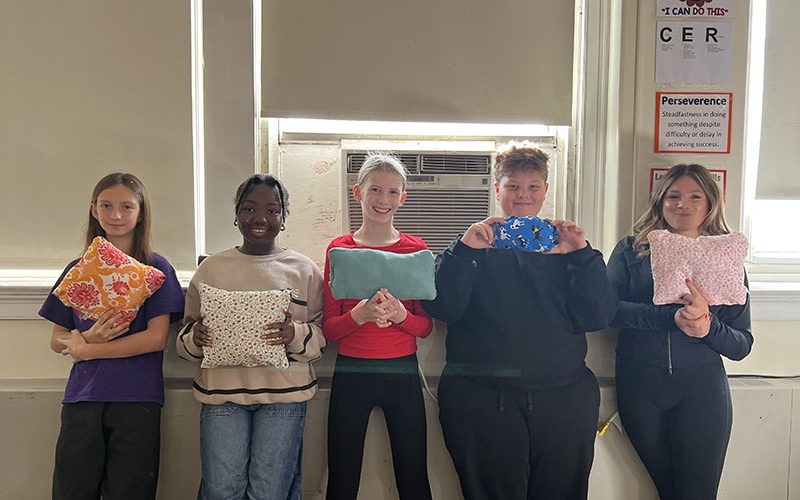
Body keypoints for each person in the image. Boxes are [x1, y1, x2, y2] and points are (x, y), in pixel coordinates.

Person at [423, 142, 616, 500]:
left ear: (545, 190)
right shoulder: (470, 249)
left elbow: (599, 316)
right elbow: (443, 308)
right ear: (497, 189)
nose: (522, 195)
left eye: (532, 187)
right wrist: (465, 250)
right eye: (512, 186)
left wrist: (582, 256)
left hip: (564, 401)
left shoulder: (571, 251)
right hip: (481, 403)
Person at [608, 163, 753, 500]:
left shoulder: (727, 257)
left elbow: (742, 344)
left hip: (701, 392)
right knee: (667, 491)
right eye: (673, 196)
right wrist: (669, 318)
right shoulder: (631, 250)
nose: (682, 204)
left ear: (710, 203)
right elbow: (606, 311)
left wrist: (707, 327)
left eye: (694, 196)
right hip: (641, 389)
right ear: (660, 201)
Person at [176, 173, 325, 500]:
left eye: (272, 210)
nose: (260, 218)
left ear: (284, 217)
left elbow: (320, 336)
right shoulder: (211, 269)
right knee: (221, 490)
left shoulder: (304, 270)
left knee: (270, 492)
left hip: (285, 397)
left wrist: (293, 334)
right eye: (249, 209)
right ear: (236, 214)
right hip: (222, 395)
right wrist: (195, 339)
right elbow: (184, 337)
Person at [39, 172, 185, 500]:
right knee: (72, 490)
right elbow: (57, 338)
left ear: (141, 212)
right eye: (106, 205)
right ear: (94, 210)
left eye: (126, 207)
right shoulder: (78, 269)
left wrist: (88, 349)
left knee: (131, 490)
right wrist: (87, 338)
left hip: (137, 399)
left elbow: (156, 339)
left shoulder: (157, 269)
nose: (115, 215)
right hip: (83, 399)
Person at [323, 154, 433, 500]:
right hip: (351, 371)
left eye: (391, 192)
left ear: (403, 197)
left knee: (413, 473)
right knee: (342, 475)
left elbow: (425, 327)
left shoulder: (415, 249)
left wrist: (401, 315)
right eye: (375, 190)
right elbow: (329, 330)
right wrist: (360, 315)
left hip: (402, 372)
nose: (382, 200)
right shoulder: (339, 249)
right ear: (358, 192)